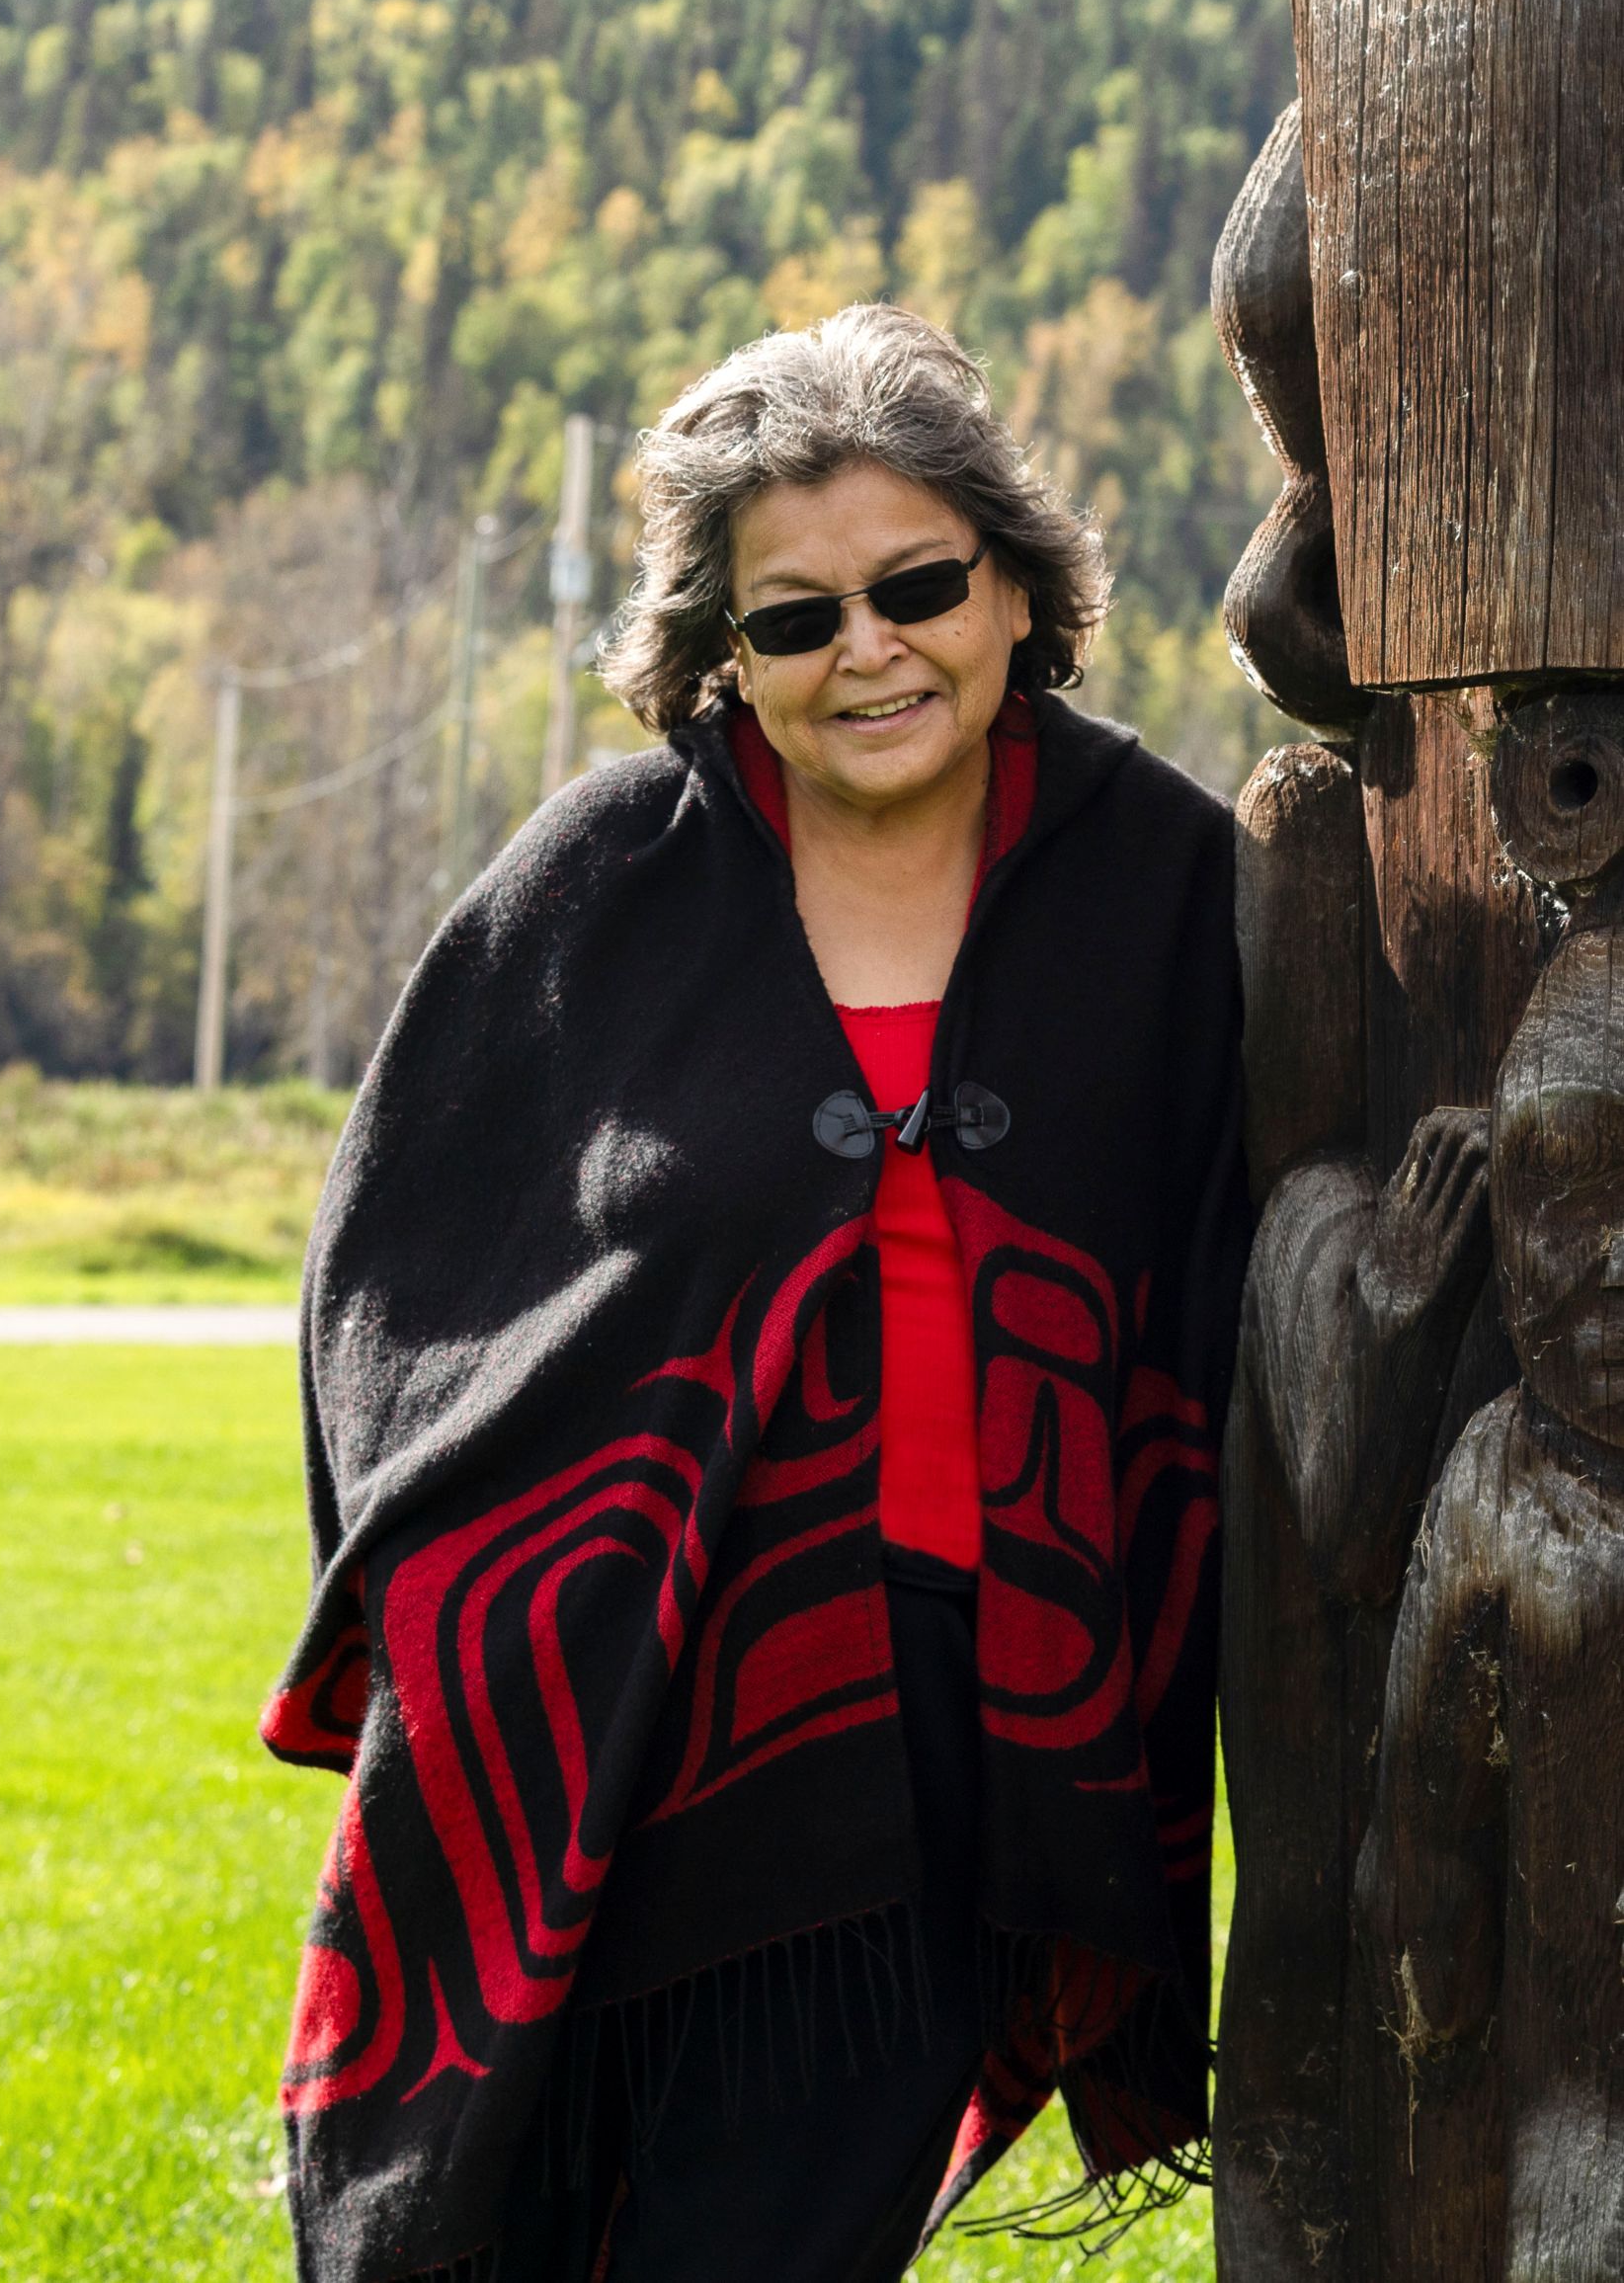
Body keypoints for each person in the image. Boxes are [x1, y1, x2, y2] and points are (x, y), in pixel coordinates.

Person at [262, 303, 1251, 2283]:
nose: (867, 649)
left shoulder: (1169, 887)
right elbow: (396, 1277)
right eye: (795, 617)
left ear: (1014, 586)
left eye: (917, 588)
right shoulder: (602, 884)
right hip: (599, 1724)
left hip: (950, 1750)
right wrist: (454, 1610)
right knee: (484, 2238)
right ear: (725, 649)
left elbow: (1245, 1274)